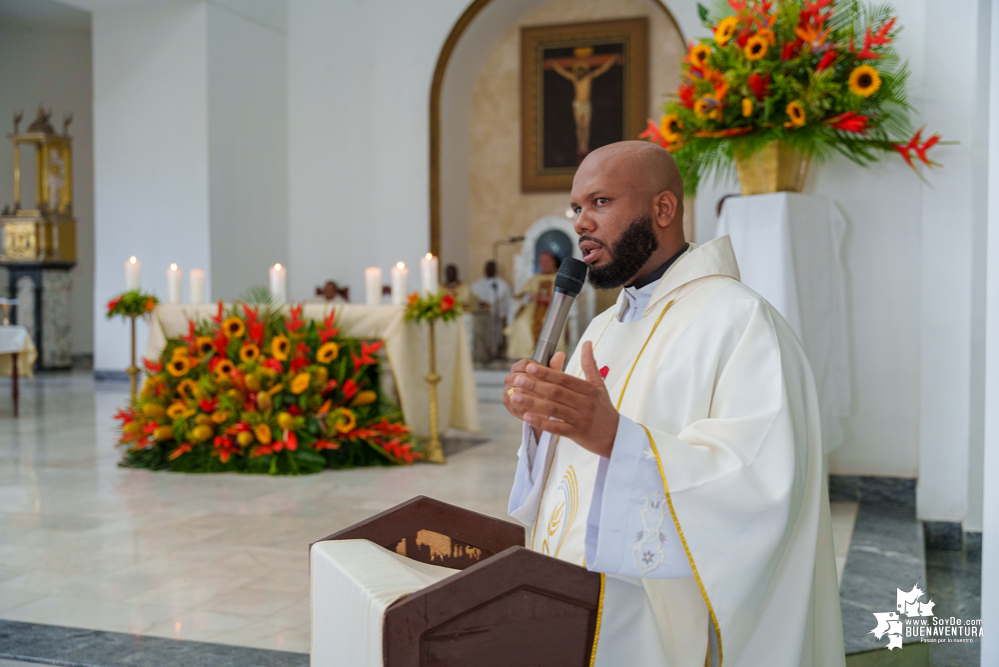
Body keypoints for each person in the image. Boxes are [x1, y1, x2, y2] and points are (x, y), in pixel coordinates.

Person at [503, 141, 844, 666]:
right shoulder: (603, 325)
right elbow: (566, 482)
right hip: (573, 604)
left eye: (600, 202)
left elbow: (759, 484)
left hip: (658, 629)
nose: (581, 224)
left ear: (663, 209)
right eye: (577, 208)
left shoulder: (741, 321)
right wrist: (542, 423)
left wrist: (615, 438)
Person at [504, 251, 560, 360]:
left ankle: (546, 356)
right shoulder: (534, 279)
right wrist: (531, 296)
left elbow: (567, 297)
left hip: (552, 309)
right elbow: (521, 295)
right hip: (532, 308)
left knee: (549, 323)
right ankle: (523, 355)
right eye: (541, 261)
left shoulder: (558, 278)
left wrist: (552, 298)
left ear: (553, 262)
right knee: (521, 323)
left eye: (546, 261)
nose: (543, 264)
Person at [471, 260, 513, 358]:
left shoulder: (502, 284)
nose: (488, 270)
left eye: (491, 268)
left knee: (492, 335)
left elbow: (495, 301)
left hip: (495, 316)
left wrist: (484, 304)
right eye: (487, 267)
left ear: (495, 270)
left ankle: (492, 353)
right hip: (479, 314)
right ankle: (480, 353)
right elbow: (473, 298)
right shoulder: (477, 283)